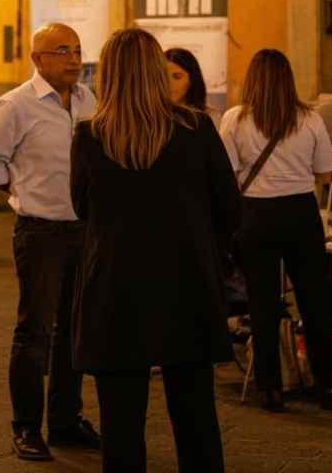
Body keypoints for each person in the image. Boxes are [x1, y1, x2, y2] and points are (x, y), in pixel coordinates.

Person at [71, 28, 238, 472]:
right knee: (196, 416)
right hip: (186, 287)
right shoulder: (196, 128)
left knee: (121, 425)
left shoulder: (90, 135)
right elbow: (229, 207)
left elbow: (80, 205)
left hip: (117, 290)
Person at [0, 23, 101, 462]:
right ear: (37, 59)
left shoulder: (89, 101)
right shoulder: (15, 106)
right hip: (41, 231)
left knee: (74, 332)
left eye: (78, 49)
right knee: (34, 333)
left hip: (84, 231)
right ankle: (26, 426)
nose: (73, 59)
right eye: (62, 50)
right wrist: (20, 193)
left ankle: (66, 420)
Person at [219, 48, 332, 411]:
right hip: (301, 212)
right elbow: (326, 174)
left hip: (255, 213)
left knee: (263, 302)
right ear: (288, 80)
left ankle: (269, 386)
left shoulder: (235, 119)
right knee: (314, 299)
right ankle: (327, 383)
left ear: (253, 79)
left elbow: (227, 172)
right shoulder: (310, 119)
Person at [164, 47, 222, 126]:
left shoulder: (209, 116)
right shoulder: (153, 114)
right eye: (163, 77)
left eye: (177, 77)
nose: (169, 83)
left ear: (192, 80)